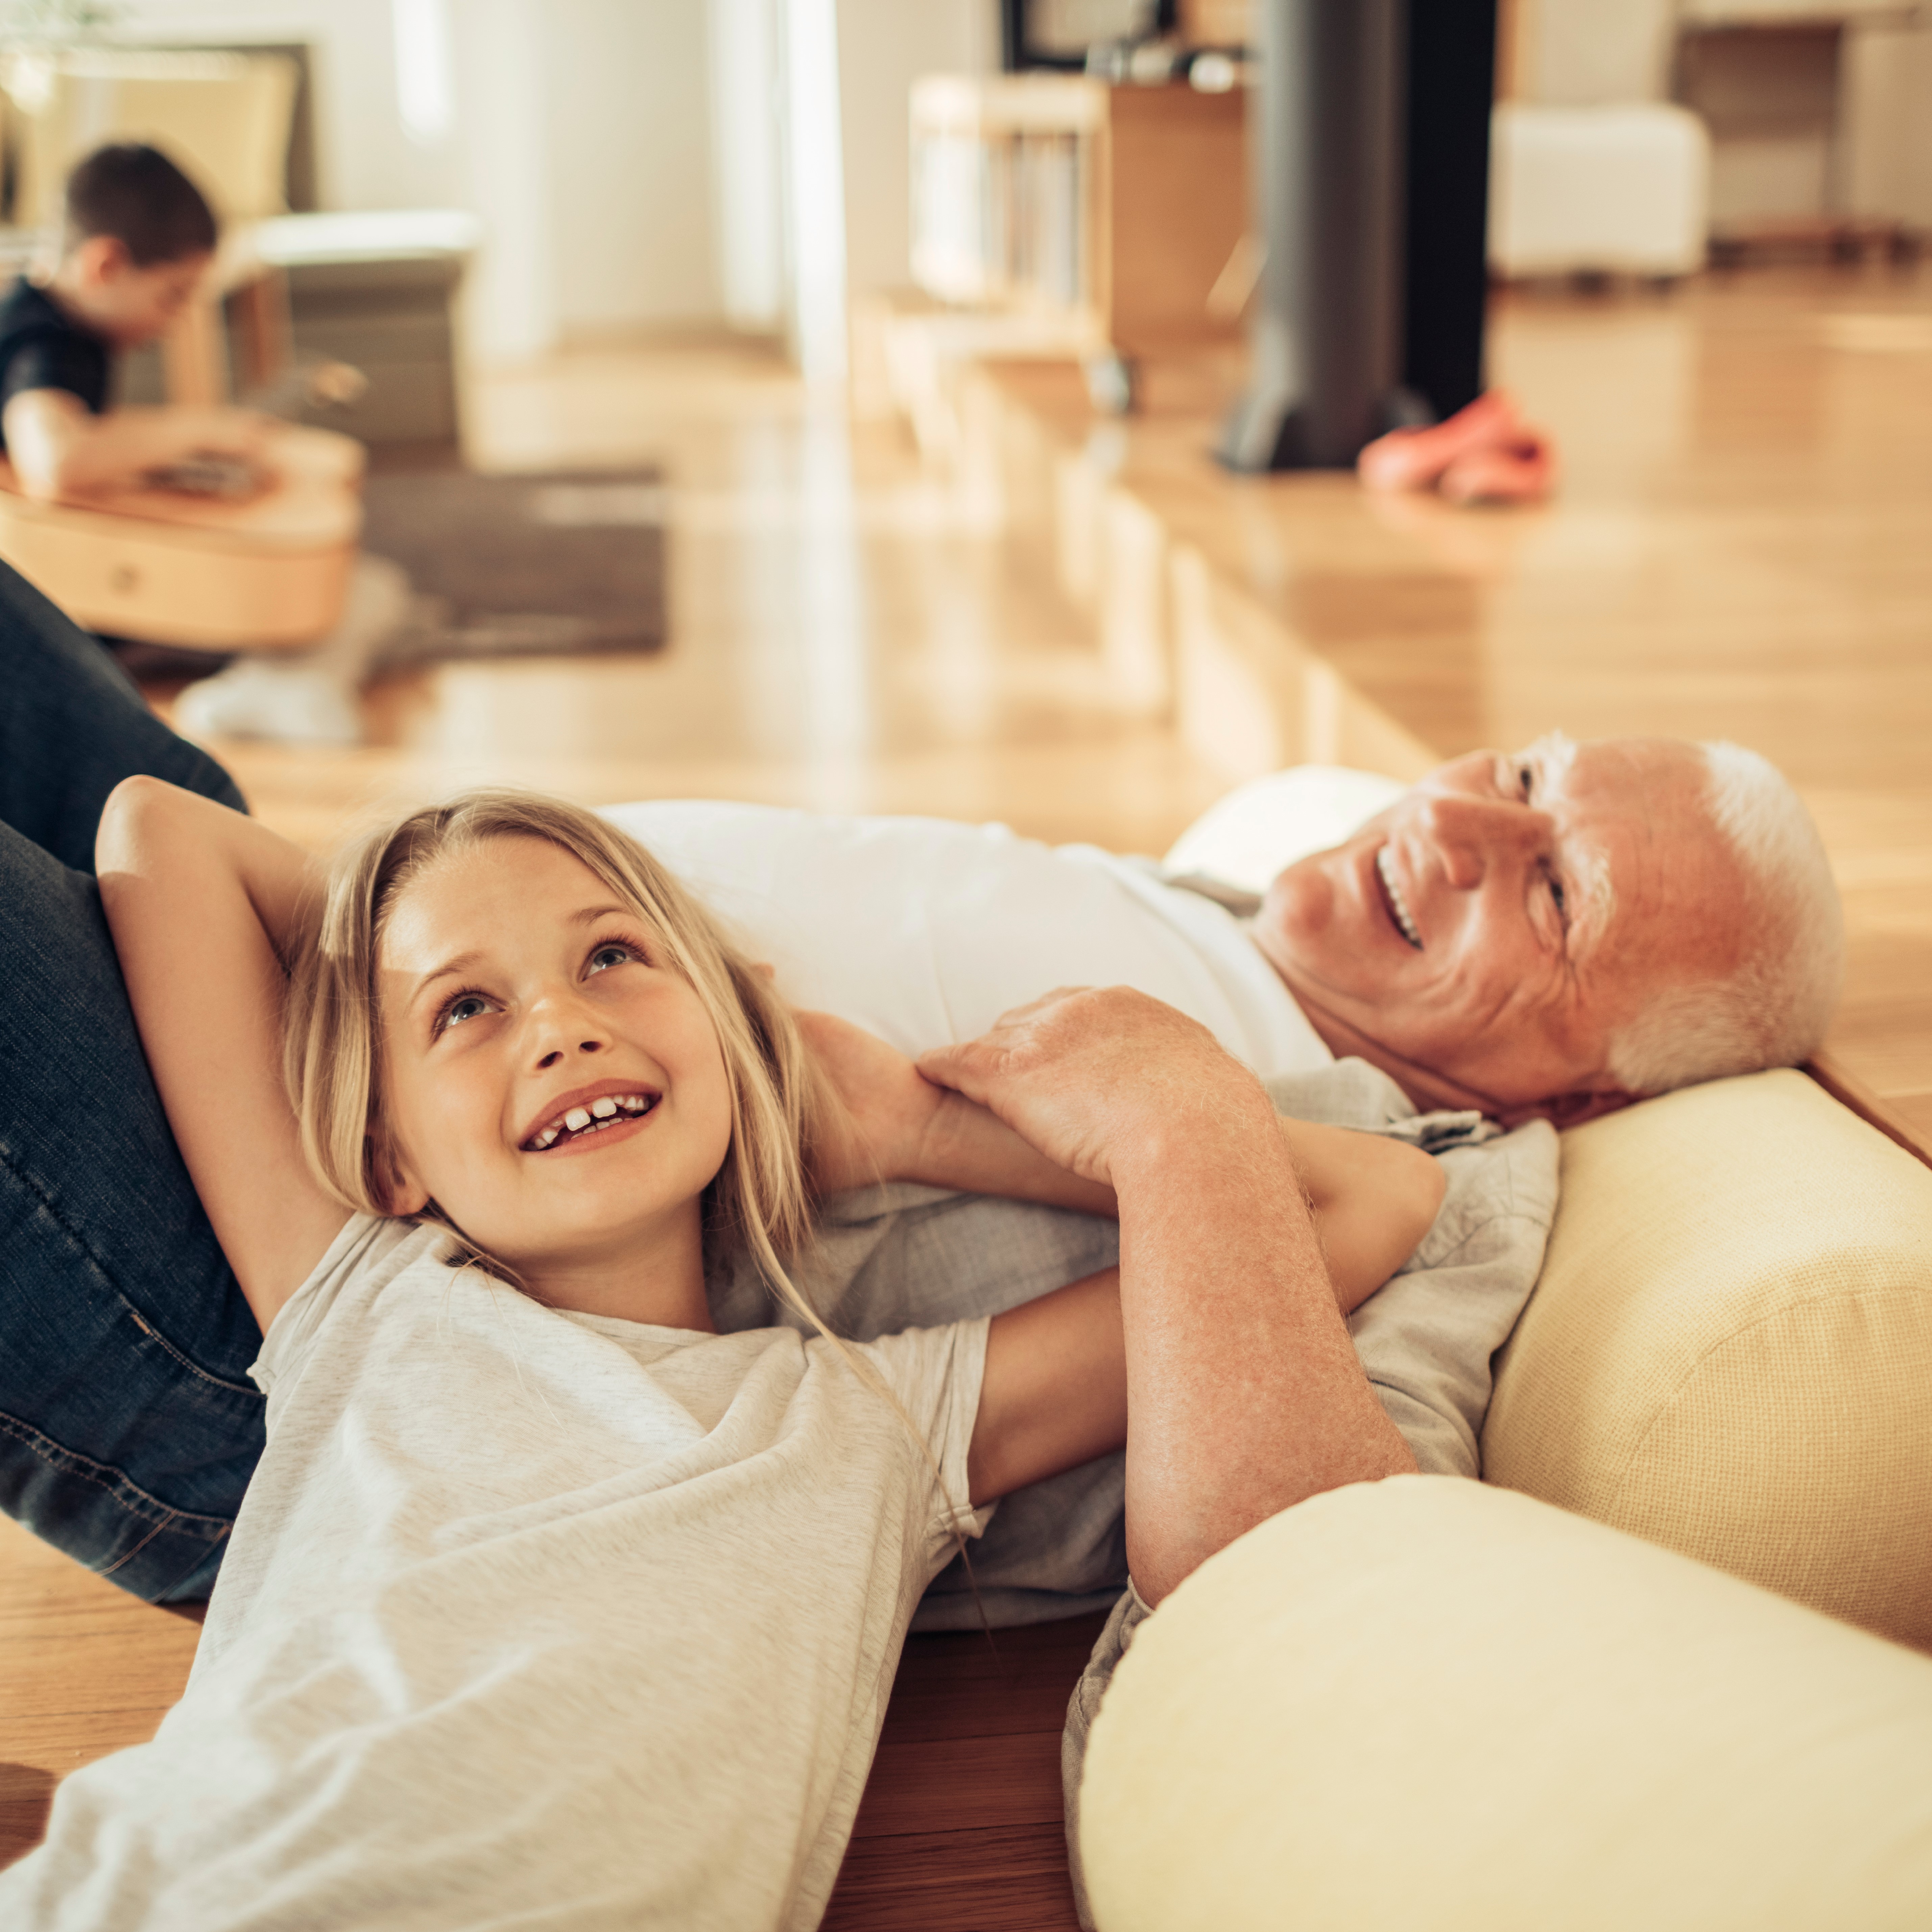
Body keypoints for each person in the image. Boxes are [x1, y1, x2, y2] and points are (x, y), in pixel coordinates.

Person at [0, 770, 1438, 1927]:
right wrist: (411, 893)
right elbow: (153, 826)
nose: (560, 1024)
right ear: (386, 1151)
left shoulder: (873, 1423)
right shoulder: (366, 1299)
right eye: (468, 1009)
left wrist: (908, 1125)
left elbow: (1368, 1194)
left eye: (615, 958)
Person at [0, 142, 409, 743]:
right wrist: (199, 428)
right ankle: (277, 688)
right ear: (105, 266)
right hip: (68, 600)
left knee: (353, 590)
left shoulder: (62, 327)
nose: (175, 317)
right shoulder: (44, 341)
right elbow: (56, 459)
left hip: (76, 589)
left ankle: (276, 675)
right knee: (361, 594)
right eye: (172, 295)